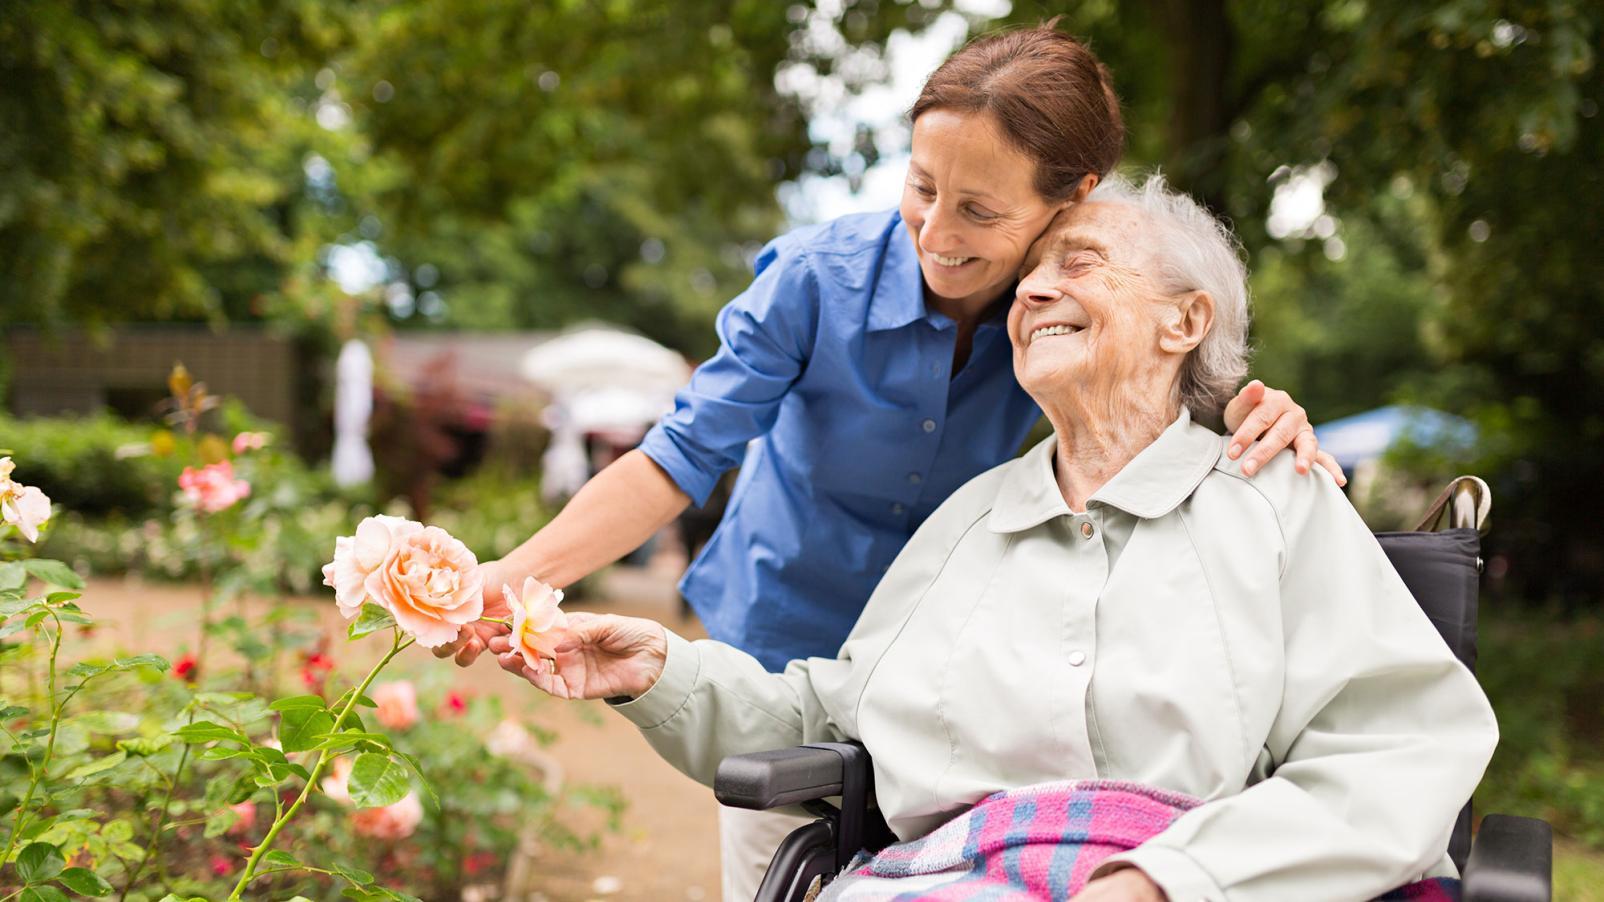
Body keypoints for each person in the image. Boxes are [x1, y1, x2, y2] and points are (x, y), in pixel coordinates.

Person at [443, 24, 1341, 896]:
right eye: (922, 187)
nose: (938, 233)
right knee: (775, 862)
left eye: (981, 210)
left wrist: (1266, 409)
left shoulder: (1058, 313)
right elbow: (676, 457)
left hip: (952, 669)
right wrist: (513, 577)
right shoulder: (811, 281)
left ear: (1071, 197)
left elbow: (1167, 380)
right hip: (782, 633)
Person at [491, 174, 1498, 901]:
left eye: (1080, 263)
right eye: (1026, 276)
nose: (1027, 290)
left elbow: (1400, 747)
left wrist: (1166, 878)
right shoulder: (972, 517)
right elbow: (836, 712)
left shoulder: (1275, 500)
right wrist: (655, 670)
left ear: (1182, 320)